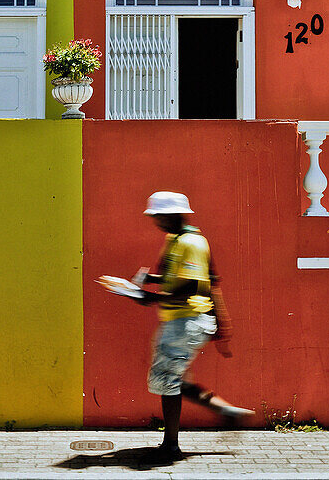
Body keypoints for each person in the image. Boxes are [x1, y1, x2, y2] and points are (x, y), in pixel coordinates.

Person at [131, 191, 254, 461]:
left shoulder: (192, 243)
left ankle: (171, 446)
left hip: (185, 321)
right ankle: (225, 411)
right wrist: (150, 278)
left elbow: (192, 288)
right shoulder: (175, 240)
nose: (156, 222)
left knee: (167, 382)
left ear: (174, 214)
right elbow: (180, 278)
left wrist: (149, 298)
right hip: (180, 321)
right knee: (171, 379)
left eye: (159, 216)